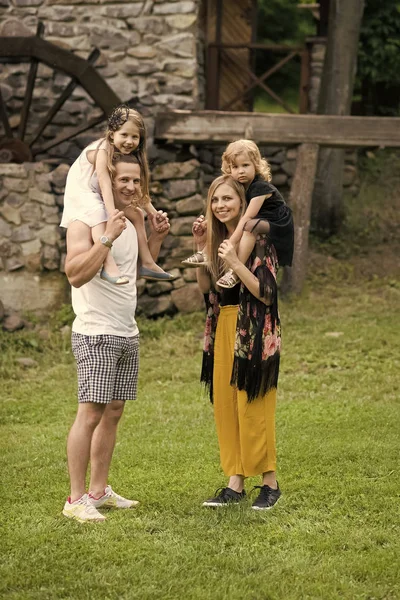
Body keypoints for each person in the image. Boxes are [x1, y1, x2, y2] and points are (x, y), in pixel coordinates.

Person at [62, 154, 170, 522]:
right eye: (123, 179)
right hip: (95, 331)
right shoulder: (84, 220)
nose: (131, 187)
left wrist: (156, 237)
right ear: (107, 180)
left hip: (126, 330)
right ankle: (75, 500)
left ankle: (99, 491)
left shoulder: (135, 218)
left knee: (114, 411)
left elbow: (137, 270)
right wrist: (106, 238)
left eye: (136, 181)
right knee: (90, 412)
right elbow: (75, 274)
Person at [193, 175, 286, 510]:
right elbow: (208, 290)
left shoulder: (259, 239)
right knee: (227, 407)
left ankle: (270, 484)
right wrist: (200, 248)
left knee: (254, 405)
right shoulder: (220, 239)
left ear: (243, 203)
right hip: (224, 327)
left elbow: (266, 293)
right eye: (215, 200)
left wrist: (235, 263)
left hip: (255, 331)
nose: (220, 205)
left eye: (227, 199)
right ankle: (235, 482)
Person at [61, 104, 175, 285]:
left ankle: (147, 263)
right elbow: (105, 184)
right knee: (100, 213)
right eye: (124, 135)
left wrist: (153, 213)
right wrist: (111, 212)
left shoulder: (126, 156)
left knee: (137, 214)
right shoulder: (103, 149)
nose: (129, 141)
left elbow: (139, 192)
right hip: (82, 193)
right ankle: (108, 265)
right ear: (112, 134)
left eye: (134, 137)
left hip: (97, 195)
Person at [183, 139, 293, 289]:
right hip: (259, 220)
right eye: (235, 167)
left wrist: (232, 241)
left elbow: (247, 216)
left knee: (249, 226)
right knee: (243, 225)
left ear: (256, 165)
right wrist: (209, 222)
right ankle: (205, 252)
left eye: (245, 165)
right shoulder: (242, 186)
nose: (240, 171)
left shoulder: (260, 187)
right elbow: (240, 210)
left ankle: (235, 271)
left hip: (277, 222)